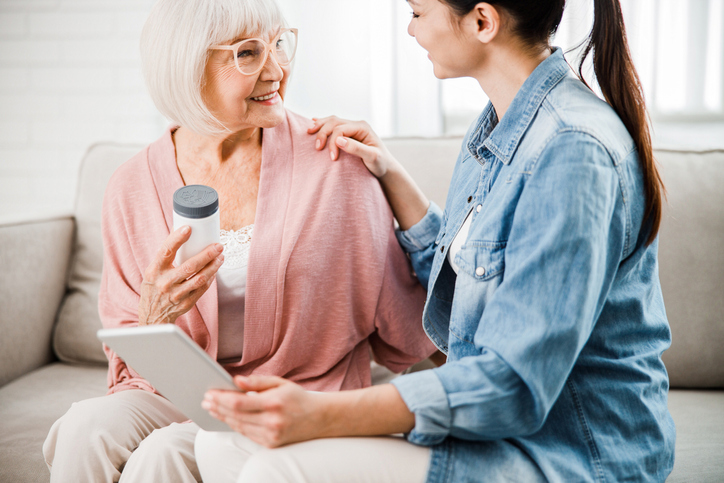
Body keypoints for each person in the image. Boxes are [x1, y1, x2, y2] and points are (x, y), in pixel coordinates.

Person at [197, 0, 677, 481]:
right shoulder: (500, 125)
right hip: (492, 436)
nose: (411, 30)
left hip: (568, 454)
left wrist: (320, 414)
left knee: (276, 468)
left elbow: (515, 384)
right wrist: (388, 171)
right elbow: (471, 278)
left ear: (482, 21)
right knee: (219, 446)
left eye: (418, 13)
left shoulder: (572, 150)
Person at [41, 0, 438, 481]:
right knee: (84, 428)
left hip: (295, 398)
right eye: (248, 53)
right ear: (187, 67)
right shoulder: (129, 186)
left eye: (279, 43)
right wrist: (154, 318)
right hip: (175, 394)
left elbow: (406, 328)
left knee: (164, 452)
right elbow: (129, 350)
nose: (277, 70)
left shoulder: (335, 163)